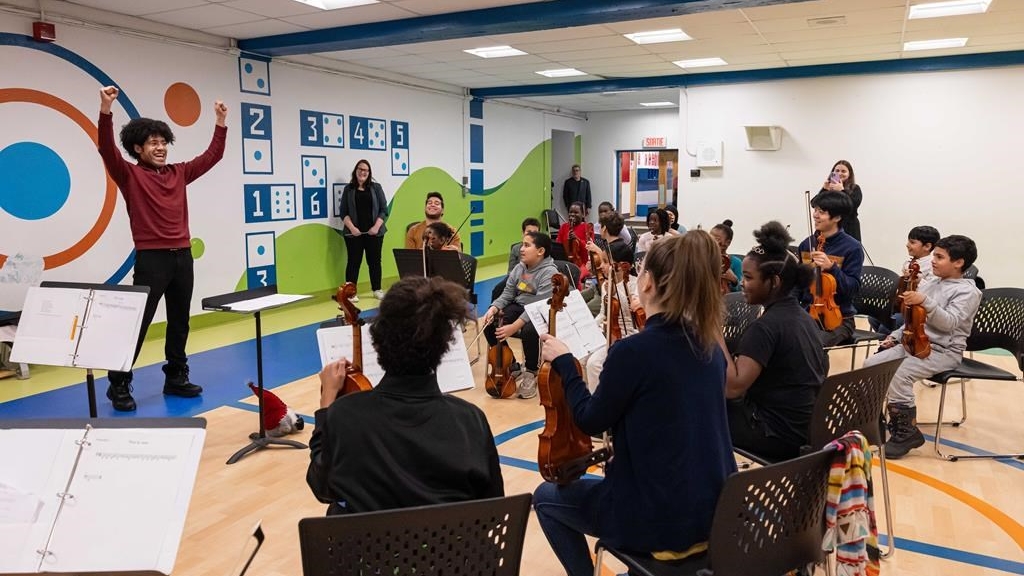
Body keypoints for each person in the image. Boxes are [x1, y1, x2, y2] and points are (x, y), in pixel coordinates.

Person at [533, 232, 736, 576]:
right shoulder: (709, 346)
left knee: (545, 497)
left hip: (659, 520)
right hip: (716, 511)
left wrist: (567, 363)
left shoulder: (633, 352)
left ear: (650, 285)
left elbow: (590, 420)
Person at [307, 276, 504, 514]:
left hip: (367, 549)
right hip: (445, 549)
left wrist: (327, 403)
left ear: (378, 340)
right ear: (443, 346)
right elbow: (492, 506)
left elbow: (323, 488)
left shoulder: (344, 414)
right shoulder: (470, 420)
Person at [96, 85, 226, 412]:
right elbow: (105, 149)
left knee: (180, 320)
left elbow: (212, 157)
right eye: (153, 142)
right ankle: (119, 383)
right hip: (152, 259)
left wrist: (220, 123)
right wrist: (106, 111)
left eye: (163, 141)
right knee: (137, 324)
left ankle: (176, 376)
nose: (160, 147)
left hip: (183, 257)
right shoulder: (129, 175)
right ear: (137, 148)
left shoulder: (179, 173)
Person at [863, 235, 982, 459]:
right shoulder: (932, 283)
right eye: (934, 255)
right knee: (871, 364)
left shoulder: (968, 292)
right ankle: (873, 421)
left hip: (943, 351)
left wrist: (925, 302)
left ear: (959, 263)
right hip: (913, 342)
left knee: (900, 373)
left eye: (939, 257)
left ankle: (906, 432)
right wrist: (896, 336)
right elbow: (913, 320)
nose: (933, 261)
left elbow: (949, 324)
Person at [719, 221, 828, 460]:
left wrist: (714, 332)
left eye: (748, 278)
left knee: (698, 406)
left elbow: (733, 388)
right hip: (807, 429)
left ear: (774, 282)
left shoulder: (765, 327)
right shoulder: (803, 317)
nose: (742, 284)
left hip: (775, 434)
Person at [483, 231, 557, 400]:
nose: (521, 249)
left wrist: (514, 326)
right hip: (519, 305)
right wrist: (493, 308)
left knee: (529, 331)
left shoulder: (549, 272)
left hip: (541, 311)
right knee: (490, 323)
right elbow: (507, 294)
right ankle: (512, 365)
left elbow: (539, 305)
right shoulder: (519, 267)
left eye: (527, 245)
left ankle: (531, 371)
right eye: (522, 244)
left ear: (540, 251)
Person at [583, 213, 642, 389]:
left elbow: (636, 318)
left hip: (630, 336)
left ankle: (600, 405)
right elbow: (602, 314)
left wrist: (619, 290)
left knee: (594, 364)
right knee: (580, 356)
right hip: (609, 334)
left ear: (622, 265)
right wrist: (590, 329)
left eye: (606, 262)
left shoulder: (635, 285)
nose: (601, 266)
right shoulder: (606, 285)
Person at [798, 191, 864, 347]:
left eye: (822, 212)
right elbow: (798, 285)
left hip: (840, 318)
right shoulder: (806, 244)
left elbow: (853, 288)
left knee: (811, 345)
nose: (815, 215)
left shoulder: (852, 248)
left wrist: (832, 268)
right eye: (815, 210)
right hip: (807, 313)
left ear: (837, 217)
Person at [869, 225, 941, 332]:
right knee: (873, 318)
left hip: (917, 309)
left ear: (927, 246)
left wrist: (918, 281)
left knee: (888, 325)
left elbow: (932, 290)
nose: (907, 245)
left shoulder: (932, 265)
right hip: (903, 305)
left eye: (912, 242)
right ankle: (891, 341)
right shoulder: (910, 262)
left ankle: (888, 344)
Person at [339, 160, 389, 302]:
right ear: (356, 171)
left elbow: (384, 210)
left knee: (374, 261)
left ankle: (377, 289)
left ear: (369, 173)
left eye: (366, 170)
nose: (363, 172)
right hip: (354, 234)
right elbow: (343, 212)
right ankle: (350, 293)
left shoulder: (376, 188)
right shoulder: (348, 189)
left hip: (374, 233)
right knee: (353, 262)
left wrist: (376, 227)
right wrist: (352, 228)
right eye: (360, 169)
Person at [820, 160, 863, 241]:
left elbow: (852, 205)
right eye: (837, 171)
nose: (839, 173)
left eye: (843, 171)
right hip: (831, 228)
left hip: (849, 228)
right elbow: (814, 204)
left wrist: (842, 191)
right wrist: (824, 190)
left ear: (849, 174)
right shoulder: (829, 189)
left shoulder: (855, 188)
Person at [556, 202, 594, 283]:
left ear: (583, 215)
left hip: (581, 264)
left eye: (576, 212)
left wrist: (577, 239)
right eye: (570, 212)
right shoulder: (564, 227)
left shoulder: (587, 227)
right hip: (565, 262)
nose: (572, 214)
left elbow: (589, 248)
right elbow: (558, 245)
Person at [710, 219, 743, 292]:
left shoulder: (736, 262)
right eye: (710, 238)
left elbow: (742, 291)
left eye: (716, 239)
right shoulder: (703, 259)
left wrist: (734, 280)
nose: (711, 242)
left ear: (727, 243)